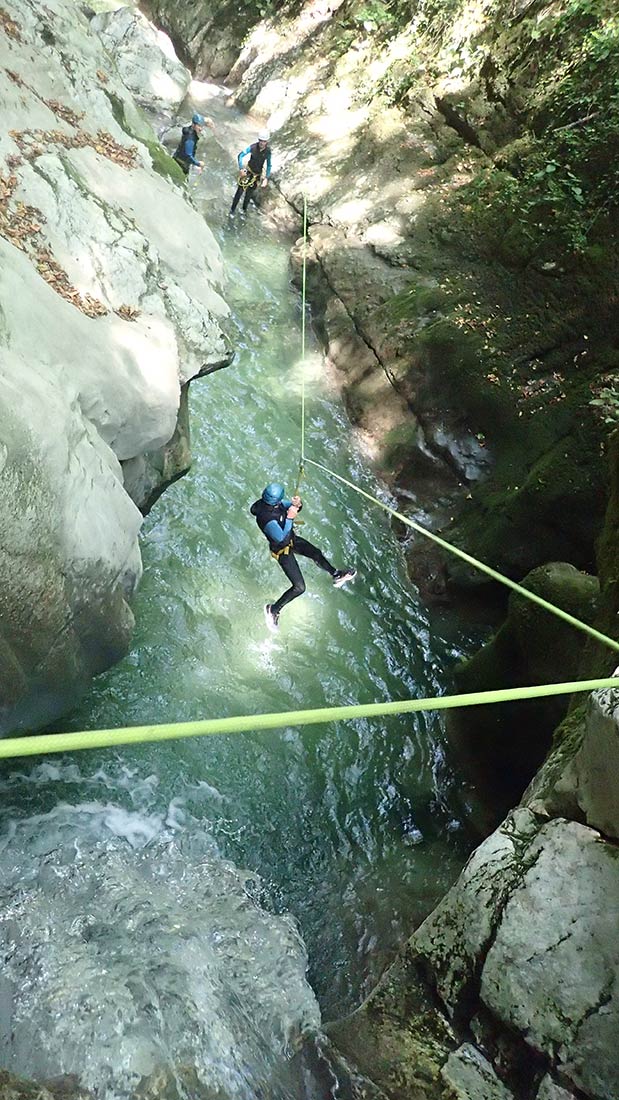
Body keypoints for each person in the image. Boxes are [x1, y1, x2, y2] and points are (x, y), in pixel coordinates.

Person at [250, 482, 356, 630]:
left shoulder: (273, 504)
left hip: (292, 540)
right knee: (299, 587)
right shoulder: (265, 518)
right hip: (282, 551)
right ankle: (273, 610)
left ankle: (336, 574)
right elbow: (282, 539)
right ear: (276, 500)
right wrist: (290, 518)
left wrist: (297, 504)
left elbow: (290, 507)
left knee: (316, 553)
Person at [229, 131, 272, 216]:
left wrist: (266, 178)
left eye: (264, 141)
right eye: (261, 141)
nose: (262, 143)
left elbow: (269, 165)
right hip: (248, 172)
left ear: (267, 142)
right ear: (258, 140)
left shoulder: (268, 152)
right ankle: (232, 210)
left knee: (248, 195)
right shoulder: (253, 147)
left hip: (256, 176)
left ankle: (244, 211)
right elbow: (240, 155)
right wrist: (241, 169)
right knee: (239, 191)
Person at [173, 113, 214, 177]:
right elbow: (188, 156)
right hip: (181, 165)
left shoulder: (189, 130)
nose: (201, 128)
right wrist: (198, 163)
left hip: (177, 159)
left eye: (202, 126)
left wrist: (208, 122)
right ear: (193, 125)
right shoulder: (190, 139)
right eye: (199, 126)